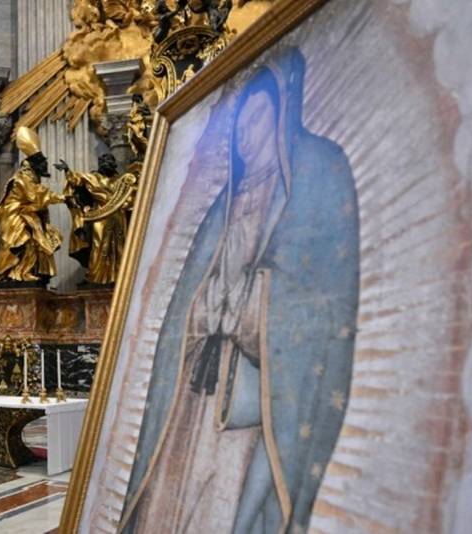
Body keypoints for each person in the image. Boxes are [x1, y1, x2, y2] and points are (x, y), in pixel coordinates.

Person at [120, 48, 359, 533]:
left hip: (255, 402)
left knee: (226, 508)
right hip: (195, 402)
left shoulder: (316, 177)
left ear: (282, 114)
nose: (243, 136)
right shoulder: (221, 209)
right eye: (238, 125)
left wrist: (245, 307)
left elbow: (320, 303)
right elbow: (184, 308)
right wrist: (206, 310)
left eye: (255, 120)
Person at [0, 126, 65, 284]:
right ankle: (3, 273)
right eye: (44, 164)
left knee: (32, 243)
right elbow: (36, 195)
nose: (46, 167)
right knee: (17, 243)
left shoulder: (31, 177)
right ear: (36, 164)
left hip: (26, 215)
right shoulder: (23, 178)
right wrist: (62, 197)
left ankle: (23, 272)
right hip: (15, 216)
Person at [57, 153, 133, 285]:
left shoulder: (120, 180)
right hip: (100, 215)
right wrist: (67, 170)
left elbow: (129, 197)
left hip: (118, 216)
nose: (106, 164)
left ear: (114, 164)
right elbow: (76, 180)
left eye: (109, 161)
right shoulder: (92, 177)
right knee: (99, 244)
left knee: (119, 246)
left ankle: (118, 275)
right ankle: (96, 275)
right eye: (103, 161)